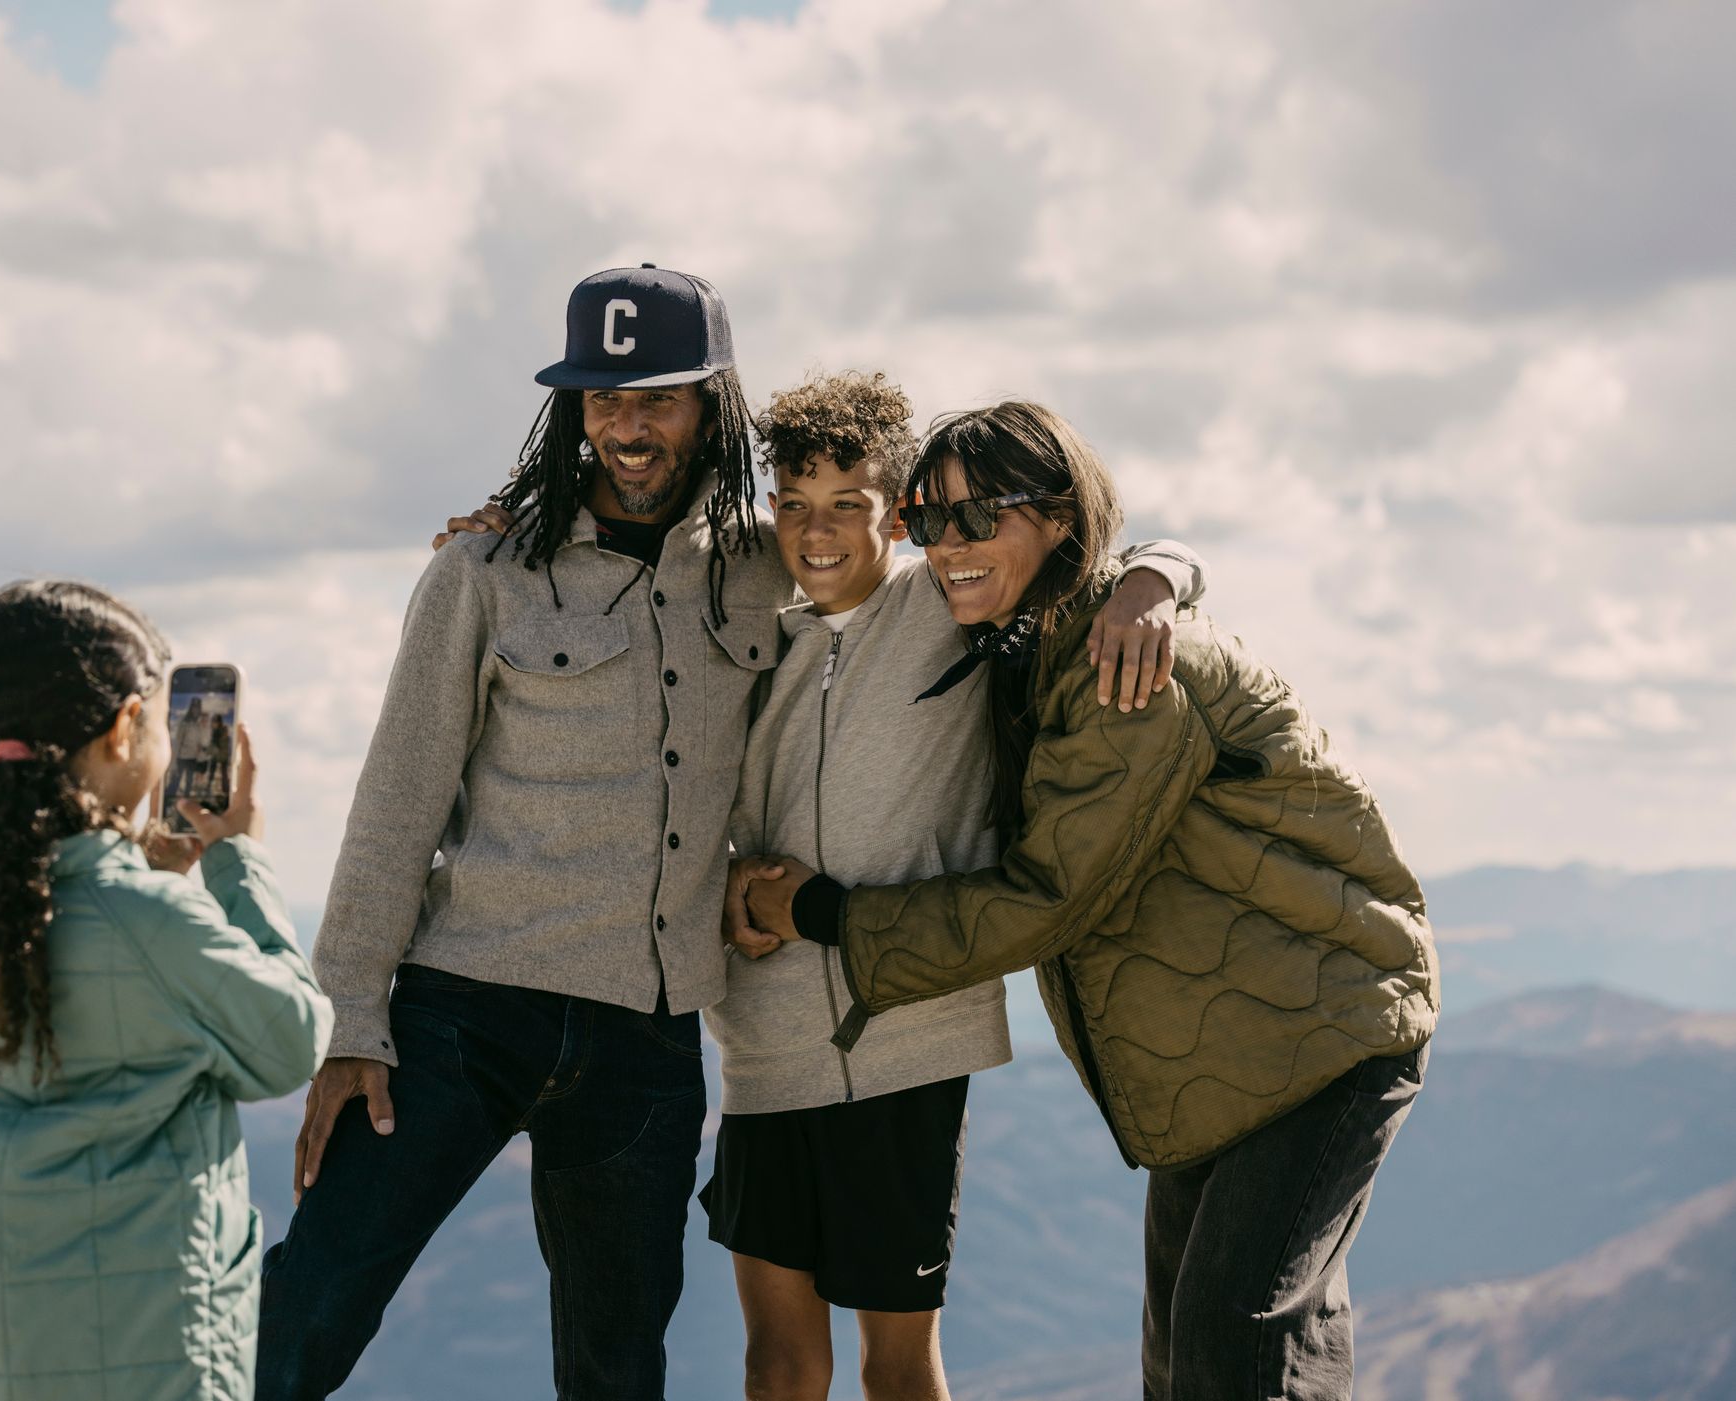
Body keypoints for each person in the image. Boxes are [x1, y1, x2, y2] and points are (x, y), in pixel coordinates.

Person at [735, 401, 1439, 1401]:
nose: (950, 547)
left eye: (981, 519)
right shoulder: (1033, 643)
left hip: (1319, 1033)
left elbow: (1045, 900)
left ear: (1059, 519)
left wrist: (822, 915)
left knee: (1227, 1355)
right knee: (1206, 1363)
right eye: (931, 521)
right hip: (1219, 1050)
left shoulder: (1127, 669)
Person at [255, 263, 797, 1400]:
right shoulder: (484, 570)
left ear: (714, 404)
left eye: (655, 396)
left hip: (645, 1036)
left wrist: (1156, 568)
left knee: (617, 1367)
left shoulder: (764, 575)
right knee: (309, 1309)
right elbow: (397, 801)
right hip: (462, 1011)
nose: (627, 426)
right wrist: (354, 1014)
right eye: (602, 399)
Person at [705, 373, 1206, 1401]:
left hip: (910, 1046)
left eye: (851, 505)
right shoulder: (748, 634)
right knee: (778, 1364)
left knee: (898, 1368)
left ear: (900, 512)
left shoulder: (949, 602)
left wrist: (1154, 581)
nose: (820, 532)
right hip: (762, 1048)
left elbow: (1130, 548)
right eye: (794, 506)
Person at [0, 579, 333, 1401]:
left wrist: (149, 883)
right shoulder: (152, 920)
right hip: (153, 1353)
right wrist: (238, 859)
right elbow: (291, 1040)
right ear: (125, 727)